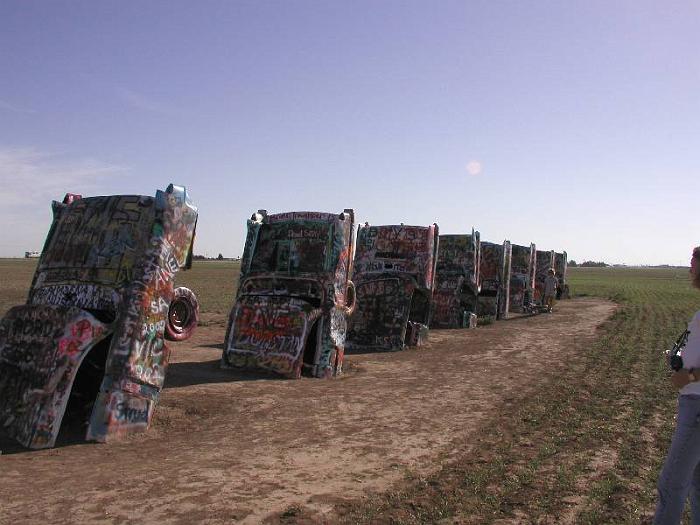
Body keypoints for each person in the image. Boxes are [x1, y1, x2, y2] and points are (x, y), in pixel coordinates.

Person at [654, 246, 700, 524]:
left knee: (672, 485)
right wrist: (680, 361)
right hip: (693, 403)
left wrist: (690, 376)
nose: (690, 266)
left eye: (695, 259)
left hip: (696, 409)